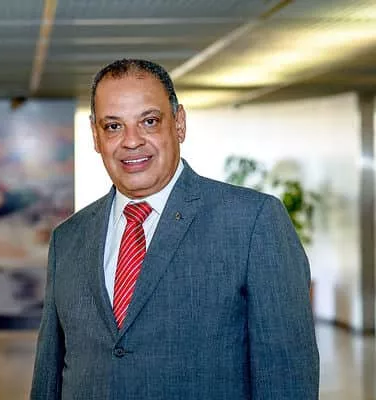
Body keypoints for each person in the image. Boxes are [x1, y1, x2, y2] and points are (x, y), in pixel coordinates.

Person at [30, 59, 319, 399]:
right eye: (113, 126)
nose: (131, 141)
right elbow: (49, 377)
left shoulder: (253, 222)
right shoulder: (68, 239)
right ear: (95, 135)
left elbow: (287, 377)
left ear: (179, 123)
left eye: (149, 121)